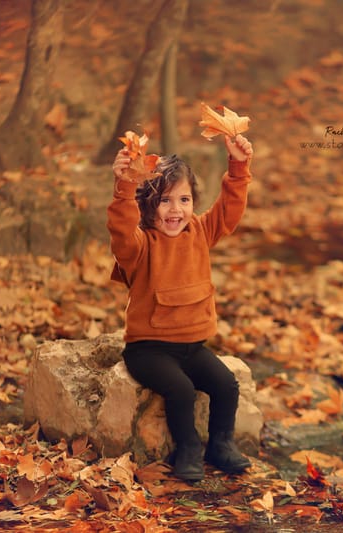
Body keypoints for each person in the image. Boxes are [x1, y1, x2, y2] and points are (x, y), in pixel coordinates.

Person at [108, 134, 254, 481]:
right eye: (165, 201)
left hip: (191, 347)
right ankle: (187, 448)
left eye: (184, 199)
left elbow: (229, 210)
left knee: (226, 384)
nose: (176, 210)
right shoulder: (141, 244)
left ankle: (221, 444)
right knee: (181, 389)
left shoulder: (200, 232)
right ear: (147, 205)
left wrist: (238, 166)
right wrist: (124, 187)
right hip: (148, 350)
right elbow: (121, 232)